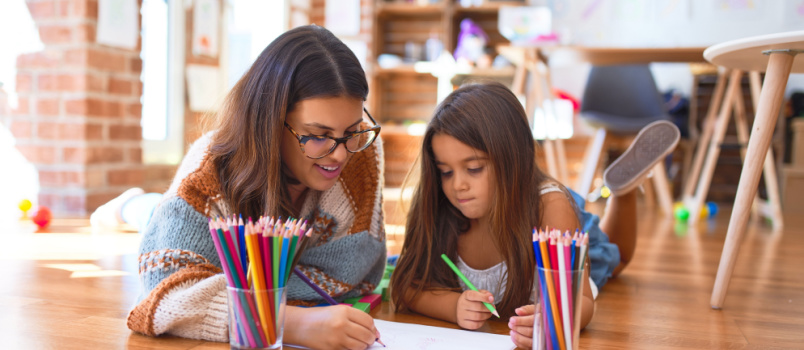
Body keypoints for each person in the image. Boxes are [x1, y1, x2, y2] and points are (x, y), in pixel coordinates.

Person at [123, 25, 387, 350]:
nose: (340, 153)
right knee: (148, 212)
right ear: (270, 122)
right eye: (317, 135)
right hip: (180, 213)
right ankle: (128, 204)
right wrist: (289, 322)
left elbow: (361, 267)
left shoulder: (363, 149)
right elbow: (164, 296)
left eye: (352, 130)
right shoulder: (207, 170)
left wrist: (243, 293)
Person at [389, 82, 679, 348]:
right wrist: (453, 306)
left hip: (557, 224)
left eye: (474, 168)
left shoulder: (552, 210)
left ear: (512, 158)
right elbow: (406, 286)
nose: (457, 185)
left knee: (612, 258)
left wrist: (553, 319)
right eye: (445, 172)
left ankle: (623, 189)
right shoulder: (439, 203)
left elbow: (585, 303)